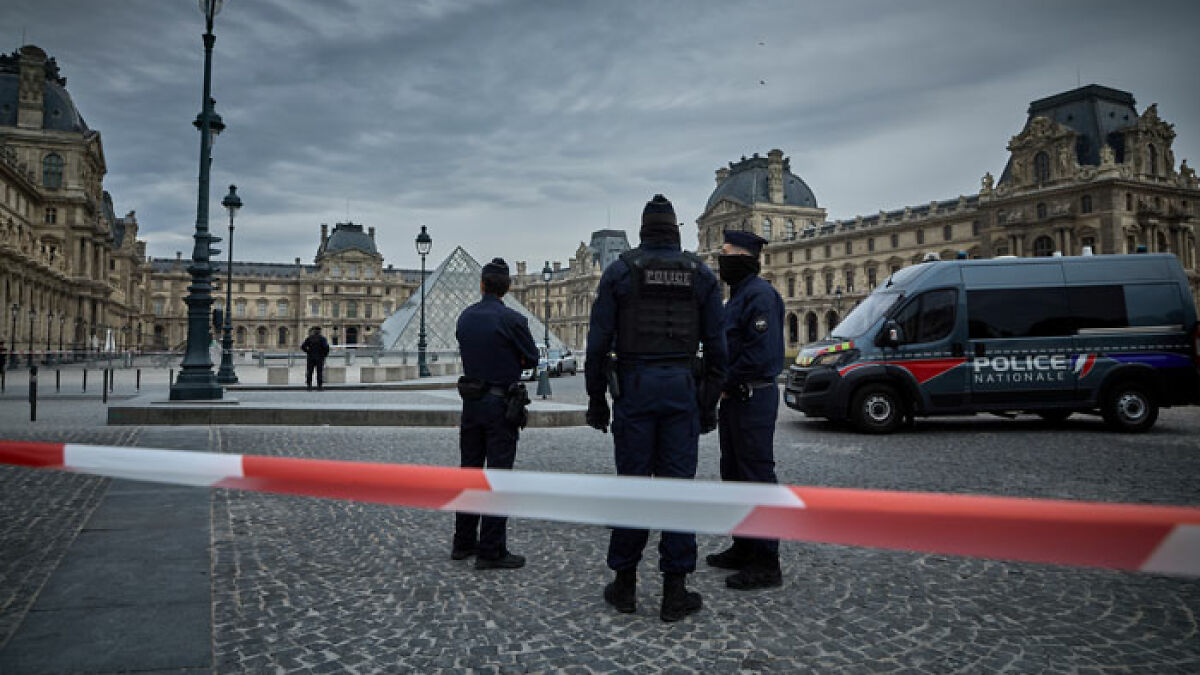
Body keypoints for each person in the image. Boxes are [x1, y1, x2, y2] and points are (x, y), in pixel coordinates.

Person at [585, 194, 727, 622]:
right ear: (677, 231)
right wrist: (707, 406)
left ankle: (625, 585)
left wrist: (597, 401)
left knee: (632, 487)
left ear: (643, 231)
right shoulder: (701, 275)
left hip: (634, 388)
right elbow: (719, 351)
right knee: (677, 490)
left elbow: (595, 348)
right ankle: (674, 591)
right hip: (682, 388)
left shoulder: (620, 272)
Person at [707, 230, 786, 589]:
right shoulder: (739, 296)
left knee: (756, 476)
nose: (720, 261)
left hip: (752, 395)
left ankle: (767, 561)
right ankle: (743, 545)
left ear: (743, 257)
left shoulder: (761, 296)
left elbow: (761, 355)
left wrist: (723, 378)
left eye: (725, 254)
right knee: (734, 473)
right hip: (736, 398)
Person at [453, 257, 539, 570]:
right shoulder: (513, 319)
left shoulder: (465, 317)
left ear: (481, 285)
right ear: (508, 287)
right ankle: (491, 550)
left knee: (469, 473)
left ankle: (462, 543)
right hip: (501, 404)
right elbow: (531, 359)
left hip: (471, 403)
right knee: (497, 477)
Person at [301, 327, 330, 391]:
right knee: (319, 372)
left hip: (310, 357)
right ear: (319, 332)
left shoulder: (309, 338)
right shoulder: (322, 339)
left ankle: (309, 386)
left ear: (314, 332)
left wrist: (308, 351)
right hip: (319, 357)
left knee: (309, 371)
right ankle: (319, 386)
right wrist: (324, 355)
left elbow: (303, 346)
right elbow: (326, 348)